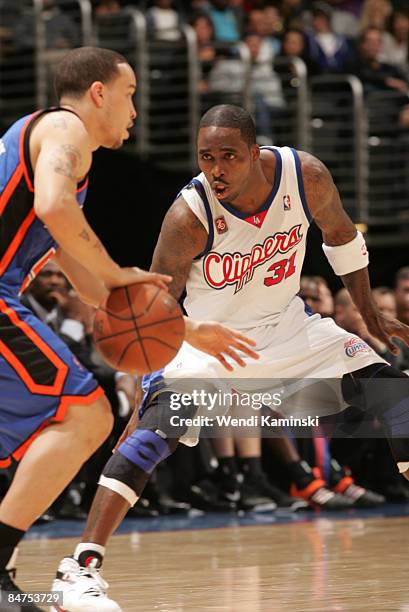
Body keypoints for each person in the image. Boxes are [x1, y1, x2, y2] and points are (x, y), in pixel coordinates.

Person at [53, 104, 409, 611]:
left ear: (255, 152)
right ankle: (79, 571)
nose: (215, 169)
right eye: (205, 157)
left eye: (228, 157)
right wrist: (157, 371)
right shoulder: (188, 215)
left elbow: (341, 236)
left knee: (395, 394)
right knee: (153, 433)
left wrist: (369, 312)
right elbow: (157, 306)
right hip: (210, 340)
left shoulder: (303, 176)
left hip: (288, 328)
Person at [0, 50, 256, 607]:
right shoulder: (63, 128)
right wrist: (119, 271)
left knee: (30, 434)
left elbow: (95, 287)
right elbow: (52, 205)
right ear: (98, 92)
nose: (135, 108)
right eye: (130, 91)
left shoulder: (49, 148)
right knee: (86, 412)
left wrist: (185, 331)